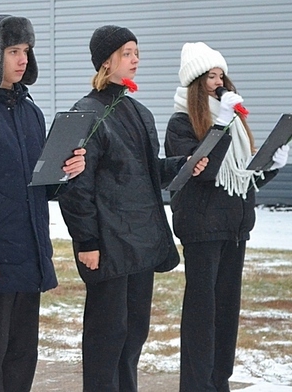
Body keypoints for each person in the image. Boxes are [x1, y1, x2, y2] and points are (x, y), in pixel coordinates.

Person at [57, 25, 206, 392]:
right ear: (106, 62)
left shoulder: (137, 111)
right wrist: (86, 241)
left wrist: (181, 165)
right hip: (108, 244)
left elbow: (144, 171)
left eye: (137, 52)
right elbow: (75, 186)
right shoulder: (86, 113)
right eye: (126, 53)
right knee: (107, 338)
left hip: (140, 244)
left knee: (134, 335)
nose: (135, 59)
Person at [0, 15, 86, 392]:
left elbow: (39, 187)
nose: (22, 59)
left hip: (29, 253)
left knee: (23, 355)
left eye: (25, 51)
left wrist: (67, 171)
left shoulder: (31, 112)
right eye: (13, 51)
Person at [164, 42, 289, 392]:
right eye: (211, 76)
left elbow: (242, 177)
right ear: (196, 81)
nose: (219, 82)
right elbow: (202, 173)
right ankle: (196, 384)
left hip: (234, 226)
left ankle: (219, 382)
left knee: (226, 312)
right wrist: (219, 124)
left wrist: (272, 165)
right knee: (202, 313)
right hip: (202, 228)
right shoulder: (181, 123)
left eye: (222, 75)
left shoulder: (231, 122)